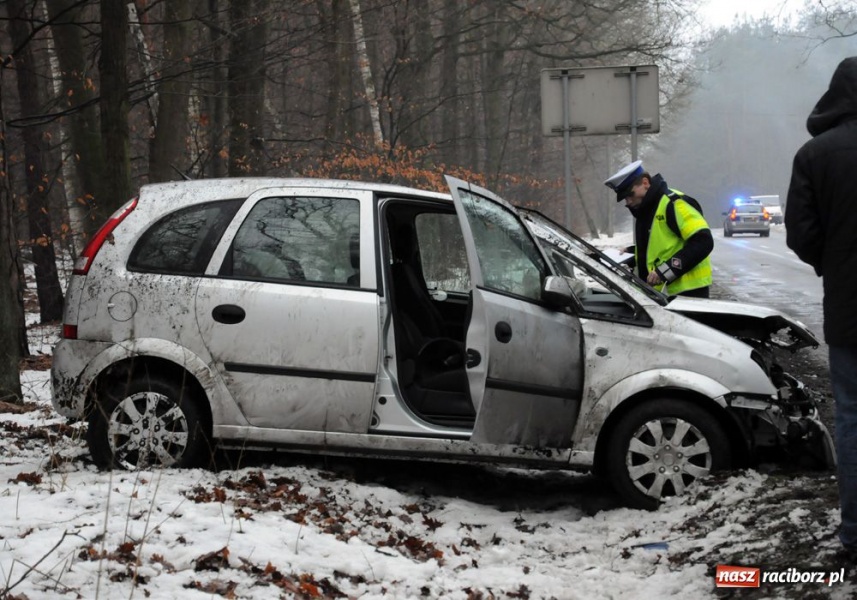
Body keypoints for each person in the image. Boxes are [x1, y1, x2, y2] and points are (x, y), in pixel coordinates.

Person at [784, 56, 857, 559]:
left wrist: (832, 260)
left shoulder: (815, 155)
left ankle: (854, 536)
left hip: (850, 310)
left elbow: (801, 234)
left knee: (851, 421)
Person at [604, 160, 713, 297]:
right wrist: (632, 253)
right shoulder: (647, 209)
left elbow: (703, 241)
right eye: (625, 198)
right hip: (663, 296)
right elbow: (662, 246)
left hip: (688, 295)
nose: (628, 202)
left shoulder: (674, 203)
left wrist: (666, 271)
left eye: (630, 195)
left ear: (645, 183)